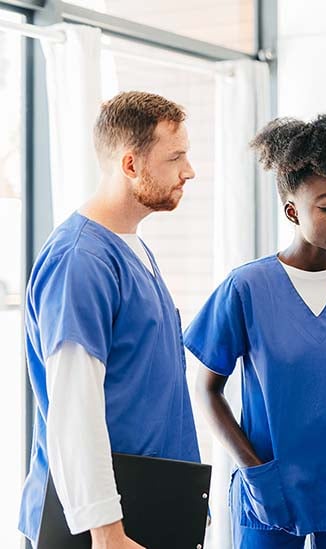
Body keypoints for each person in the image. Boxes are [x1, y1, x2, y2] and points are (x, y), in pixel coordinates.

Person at [183, 113, 326, 549]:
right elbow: (206, 390)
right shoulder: (247, 288)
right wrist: (255, 471)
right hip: (270, 488)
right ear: (293, 211)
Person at [19, 91, 200, 548]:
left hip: (148, 502)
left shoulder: (130, 246)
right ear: (130, 165)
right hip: (101, 525)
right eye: (175, 157)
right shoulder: (80, 260)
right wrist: (106, 531)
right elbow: (73, 404)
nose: (189, 171)